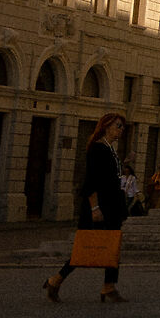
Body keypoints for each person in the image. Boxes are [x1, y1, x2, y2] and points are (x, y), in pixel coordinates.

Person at [45, 113, 130, 305]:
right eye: (118, 126)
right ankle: (55, 280)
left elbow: (111, 175)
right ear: (106, 126)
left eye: (122, 127)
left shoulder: (110, 149)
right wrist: (95, 207)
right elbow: (92, 180)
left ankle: (109, 286)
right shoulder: (97, 149)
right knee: (87, 247)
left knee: (112, 246)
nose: (121, 130)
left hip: (112, 204)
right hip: (100, 206)